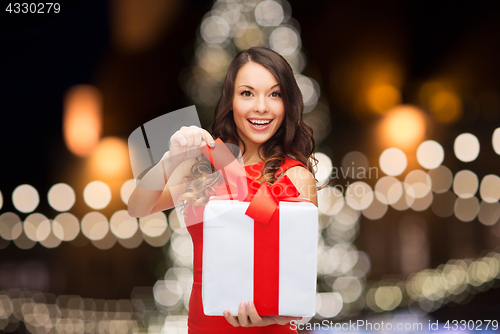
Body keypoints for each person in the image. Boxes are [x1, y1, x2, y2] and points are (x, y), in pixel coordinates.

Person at [128, 46, 320, 333]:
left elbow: (299, 276)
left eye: (275, 94)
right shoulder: (203, 163)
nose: (261, 107)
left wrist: (277, 317)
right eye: (247, 93)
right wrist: (171, 159)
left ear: (287, 103)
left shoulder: (296, 177)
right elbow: (137, 207)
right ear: (230, 100)